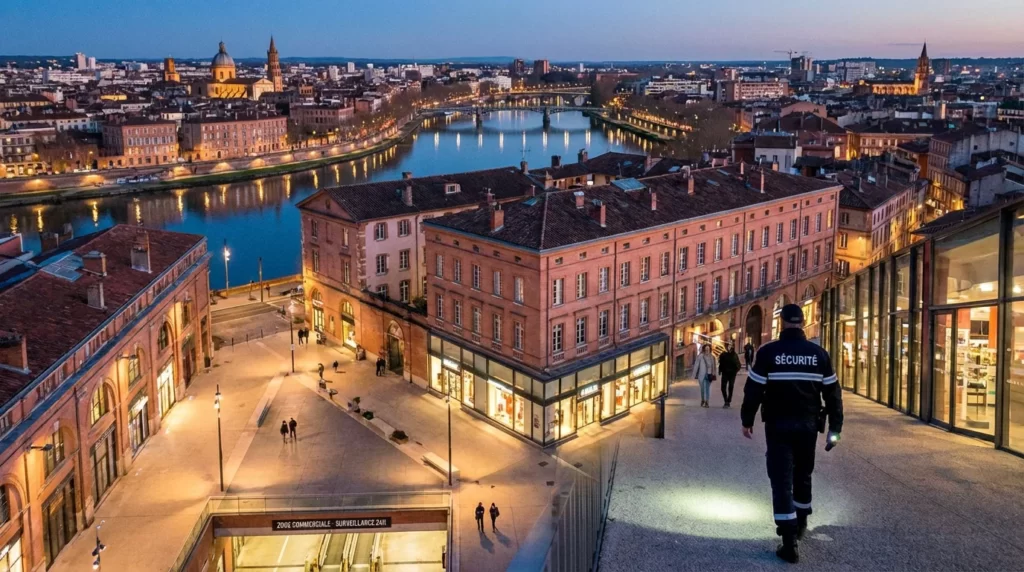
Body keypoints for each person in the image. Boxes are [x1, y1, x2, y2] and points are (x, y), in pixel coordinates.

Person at [740, 304, 843, 564]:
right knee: (803, 472)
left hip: (778, 425)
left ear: (782, 322)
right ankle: (801, 523)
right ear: (803, 322)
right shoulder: (819, 354)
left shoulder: (768, 353)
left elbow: (753, 391)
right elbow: (833, 394)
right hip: (808, 426)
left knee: (781, 479)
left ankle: (789, 543)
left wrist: (747, 419)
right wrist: (835, 428)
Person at [718, 343, 742, 408]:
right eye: (728, 346)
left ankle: (729, 400)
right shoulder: (723, 354)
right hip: (725, 373)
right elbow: (720, 363)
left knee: (731, 386)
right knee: (723, 387)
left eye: (730, 346)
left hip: (732, 374)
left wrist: (736, 371)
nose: (729, 347)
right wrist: (720, 370)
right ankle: (726, 400)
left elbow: (738, 364)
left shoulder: (734, 354)